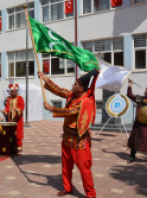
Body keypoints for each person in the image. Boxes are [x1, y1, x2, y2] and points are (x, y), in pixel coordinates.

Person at [38, 69, 99, 198]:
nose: (72, 85)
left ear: (81, 88)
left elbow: (69, 111)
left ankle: (91, 194)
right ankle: (67, 188)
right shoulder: (73, 94)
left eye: (75, 84)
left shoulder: (85, 101)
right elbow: (59, 90)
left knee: (84, 169)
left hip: (79, 140)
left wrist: (51, 109)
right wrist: (45, 78)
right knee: (66, 166)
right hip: (67, 137)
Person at [2, 84, 25, 151]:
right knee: (11, 132)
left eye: (15, 91)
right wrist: (4, 111)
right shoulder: (9, 99)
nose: (14, 92)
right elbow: (7, 108)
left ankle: (19, 145)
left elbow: (22, 106)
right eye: (12, 91)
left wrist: (17, 110)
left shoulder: (20, 98)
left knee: (18, 132)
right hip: (10, 119)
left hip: (17, 119)